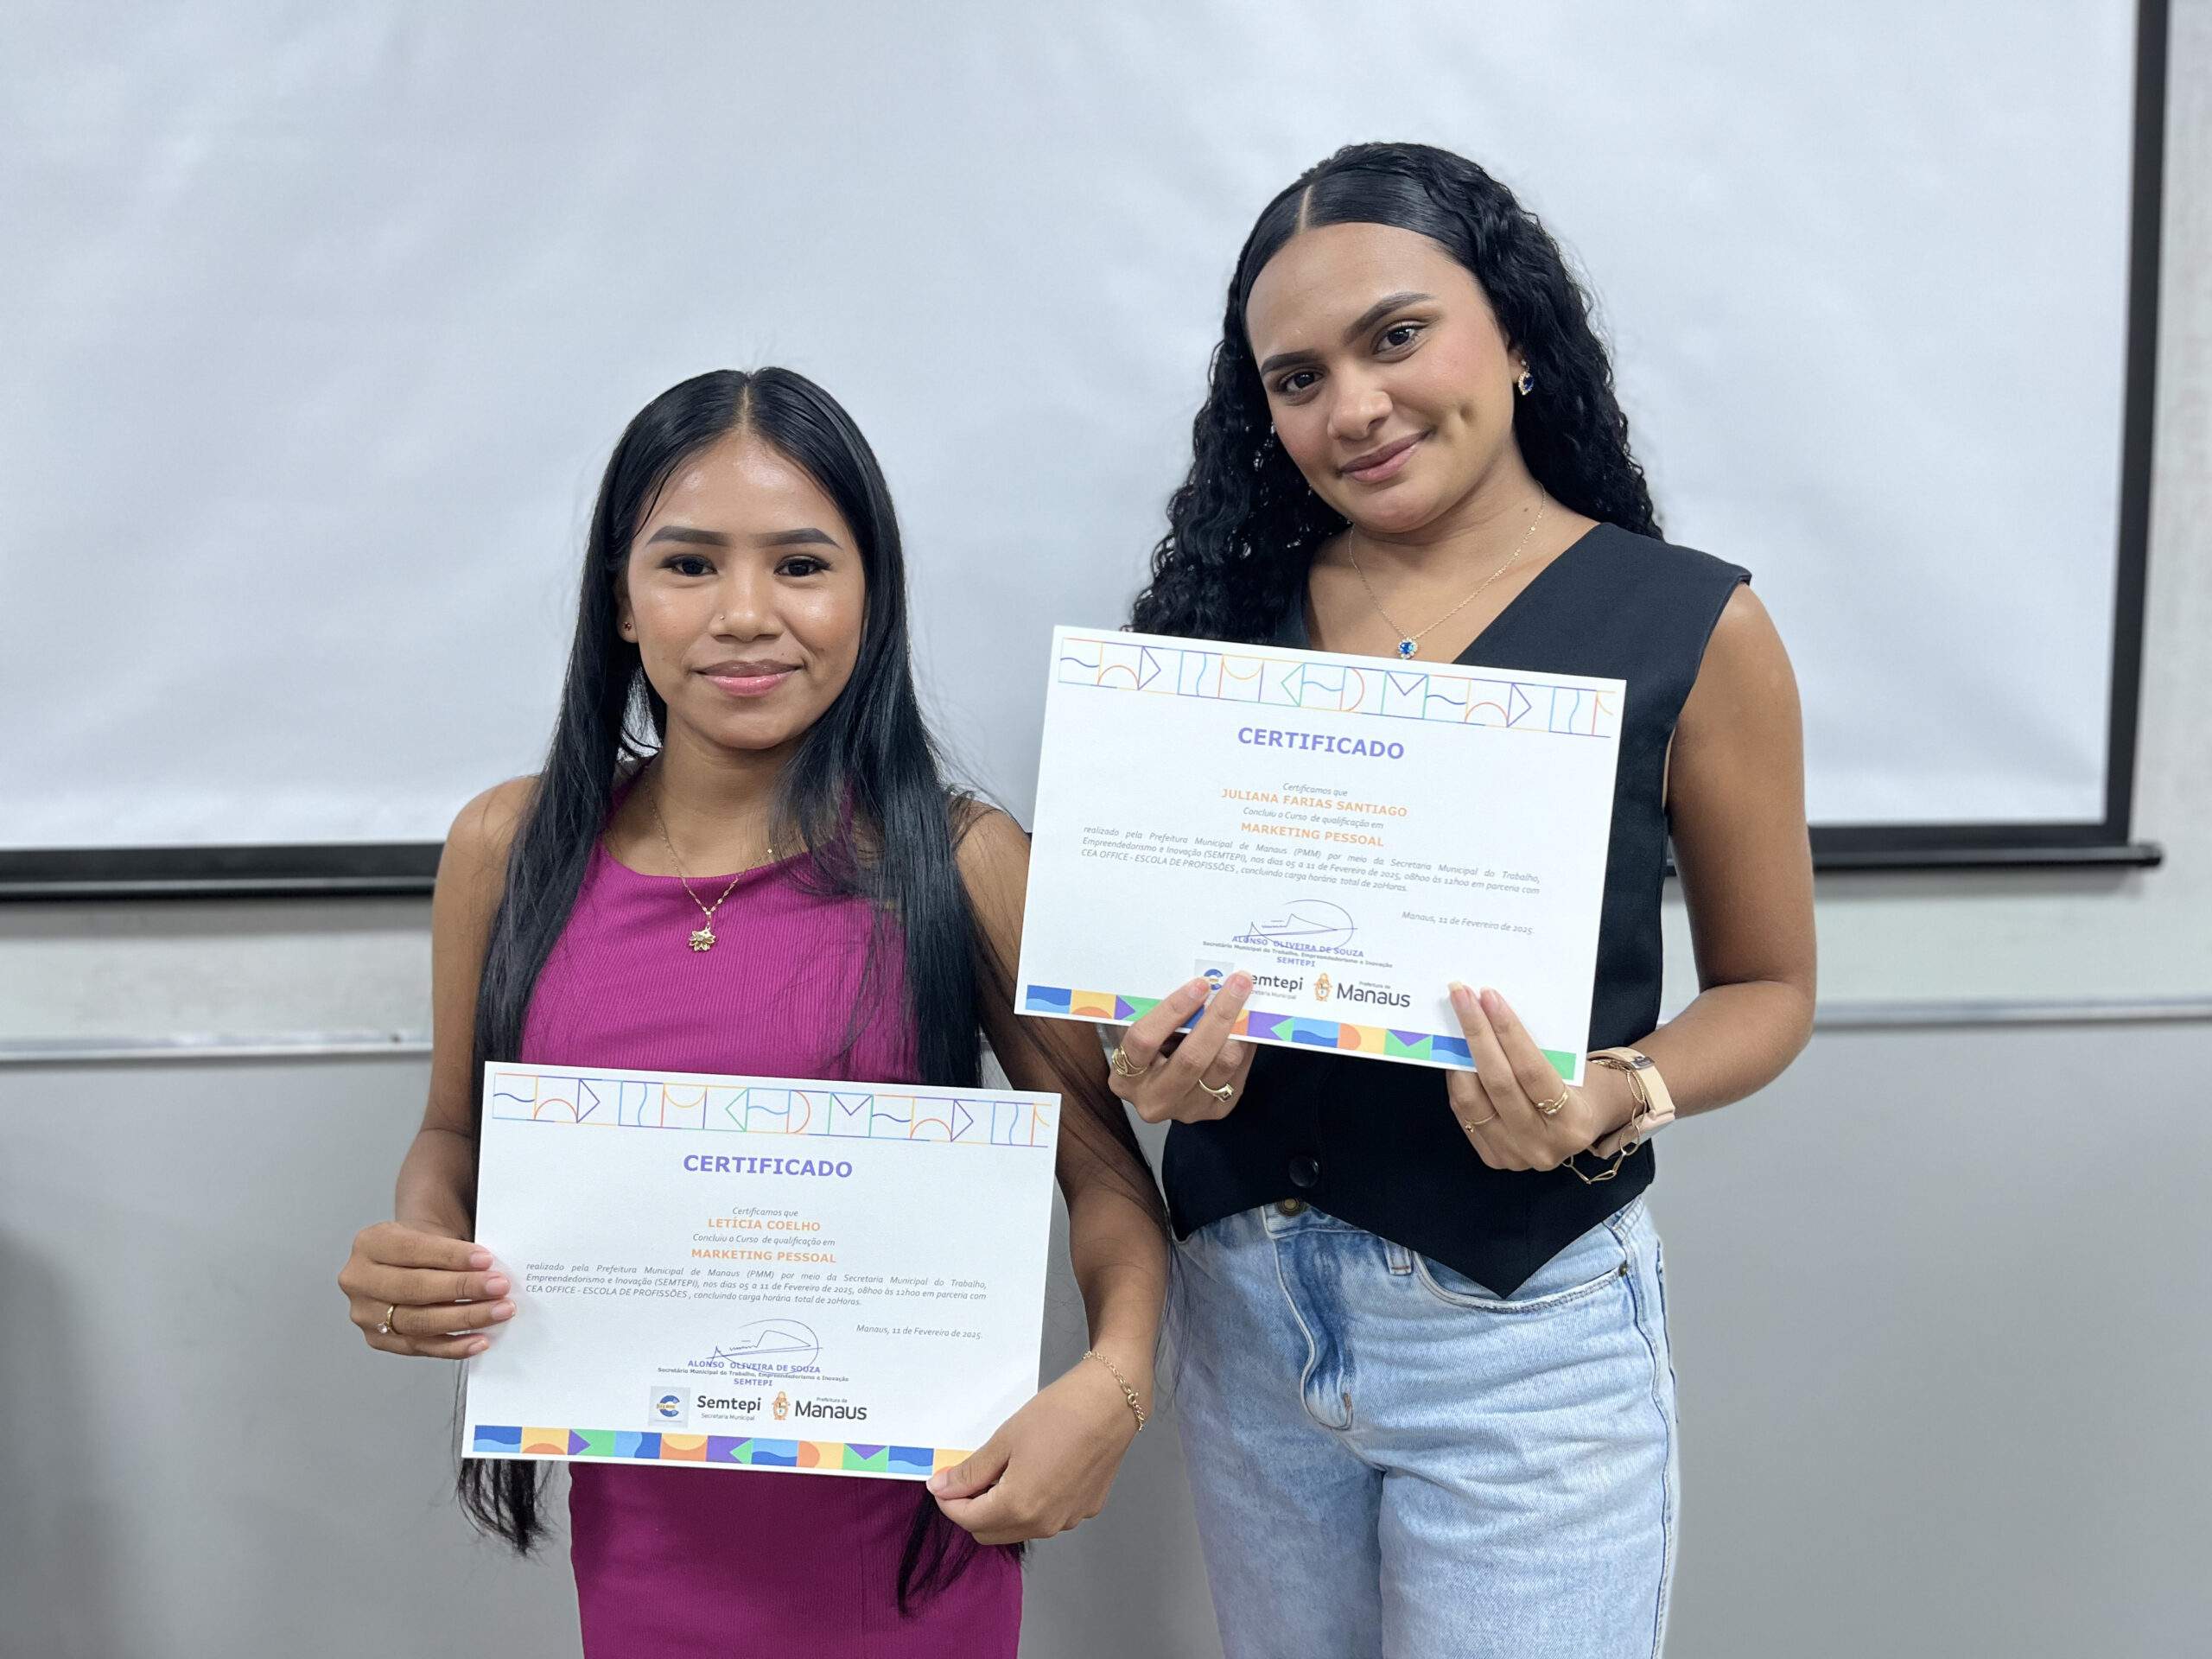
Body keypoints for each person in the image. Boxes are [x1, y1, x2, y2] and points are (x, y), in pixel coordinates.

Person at [337, 367, 1169, 1656]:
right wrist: (424, 1252)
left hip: (905, 1554)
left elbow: (1109, 1177)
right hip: (643, 1542)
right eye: (687, 565)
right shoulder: (508, 847)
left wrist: (1114, 1384)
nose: (744, 615)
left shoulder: (963, 862)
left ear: (870, 597)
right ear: (621, 601)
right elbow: (453, 1134)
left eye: (800, 565)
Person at [1116, 142, 1818, 1658]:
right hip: (1244, 1313)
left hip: (1523, 1333)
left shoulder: (1691, 623)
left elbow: (1771, 989)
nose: (1354, 406)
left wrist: (1618, 1093)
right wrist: (1161, 1062)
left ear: (1513, 331)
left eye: (1396, 336)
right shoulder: (1221, 625)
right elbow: (1164, 968)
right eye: (1297, 379)